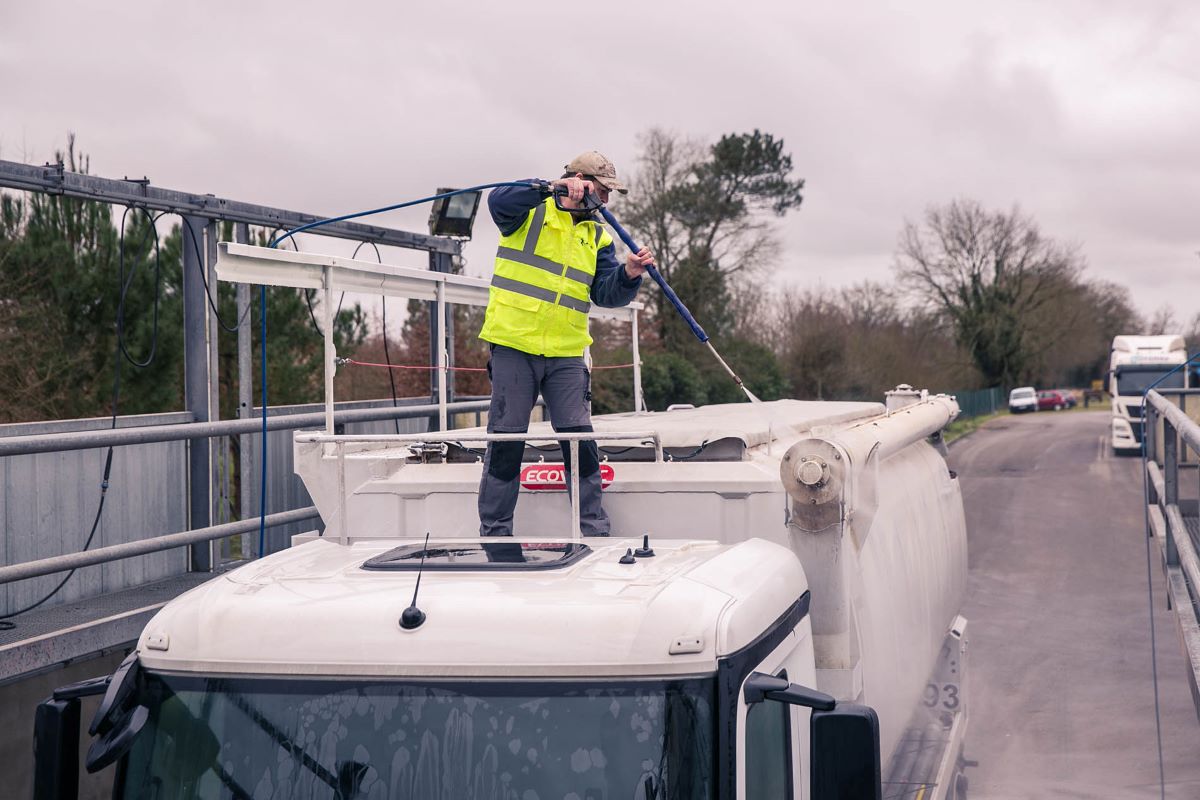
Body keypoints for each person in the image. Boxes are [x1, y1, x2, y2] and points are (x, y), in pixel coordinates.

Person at [477, 151, 655, 537]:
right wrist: (551, 187)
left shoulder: (597, 235)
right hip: (513, 345)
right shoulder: (529, 210)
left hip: (567, 353)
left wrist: (629, 272)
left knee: (579, 440)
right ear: (579, 181)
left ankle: (593, 529)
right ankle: (494, 531)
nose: (606, 201)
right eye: (602, 191)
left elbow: (606, 295)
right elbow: (498, 200)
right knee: (506, 441)